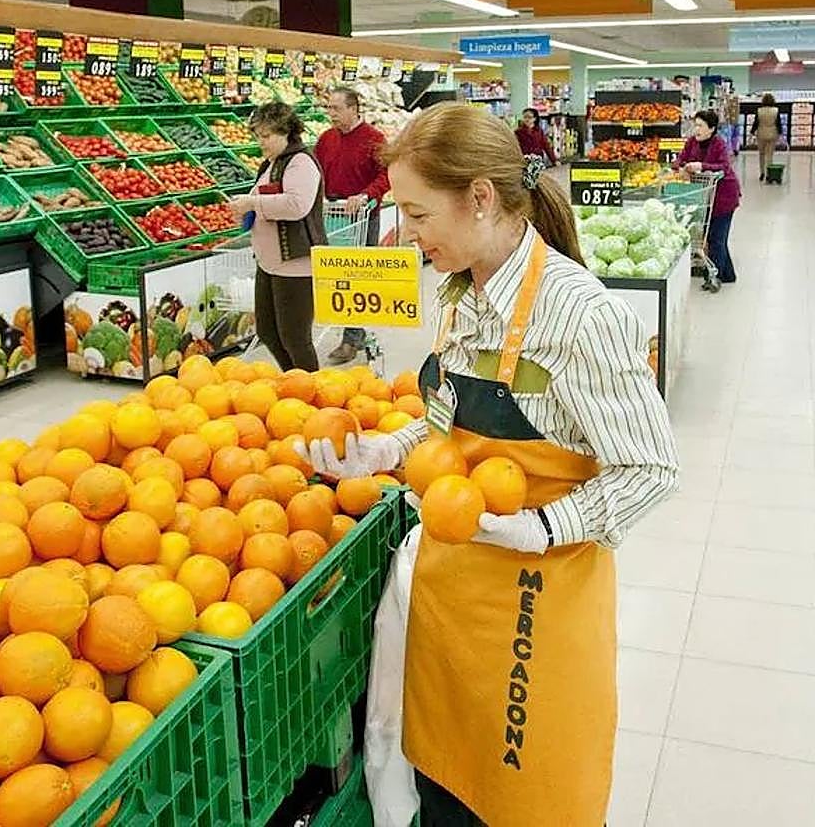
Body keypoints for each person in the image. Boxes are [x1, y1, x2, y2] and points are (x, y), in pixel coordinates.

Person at [297, 103, 678, 826]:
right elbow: (451, 424)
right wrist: (386, 450)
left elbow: (652, 469)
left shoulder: (580, 315)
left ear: (479, 197)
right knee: (449, 781)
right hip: (454, 589)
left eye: (417, 214)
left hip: (540, 599)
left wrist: (542, 526)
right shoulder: (461, 292)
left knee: (527, 796)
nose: (405, 233)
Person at [229, 102, 326, 372]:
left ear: (286, 132)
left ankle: (310, 386)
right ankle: (293, 379)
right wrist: (247, 210)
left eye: (267, 135)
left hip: (295, 264)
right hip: (270, 262)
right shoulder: (272, 163)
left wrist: (252, 203)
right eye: (258, 135)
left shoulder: (300, 162)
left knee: (295, 337)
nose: (261, 142)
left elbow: (297, 205)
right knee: (268, 332)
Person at [315, 87, 391, 365]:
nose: (331, 113)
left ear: (353, 109)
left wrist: (365, 196)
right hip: (333, 215)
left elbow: (387, 175)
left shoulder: (374, 139)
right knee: (336, 275)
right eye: (329, 108)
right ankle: (349, 332)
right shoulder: (326, 139)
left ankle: (351, 339)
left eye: (336, 108)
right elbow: (315, 171)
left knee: (356, 275)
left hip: (362, 217)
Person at [677, 109, 741, 285]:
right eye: (695, 125)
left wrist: (701, 165)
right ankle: (728, 274)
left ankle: (714, 277)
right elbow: (680, 160)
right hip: (704, 197)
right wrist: (682, 166)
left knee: (717, 238)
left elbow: (724, 167)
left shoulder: (719, 144)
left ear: (711, 129)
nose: (696, 129)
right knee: (715, 237)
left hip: (724, 197)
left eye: (700, 126)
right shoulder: (691, 142)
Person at [752, 92, 781, 181]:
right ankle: (769, 174)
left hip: (761, 133)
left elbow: (756, 123)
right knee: (770, 155)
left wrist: (752, 132)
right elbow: (778, 123)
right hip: (772, 134)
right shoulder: (776, 110)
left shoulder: (759, 111)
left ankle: (762, 173)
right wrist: (780, 133)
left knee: (762, 154)